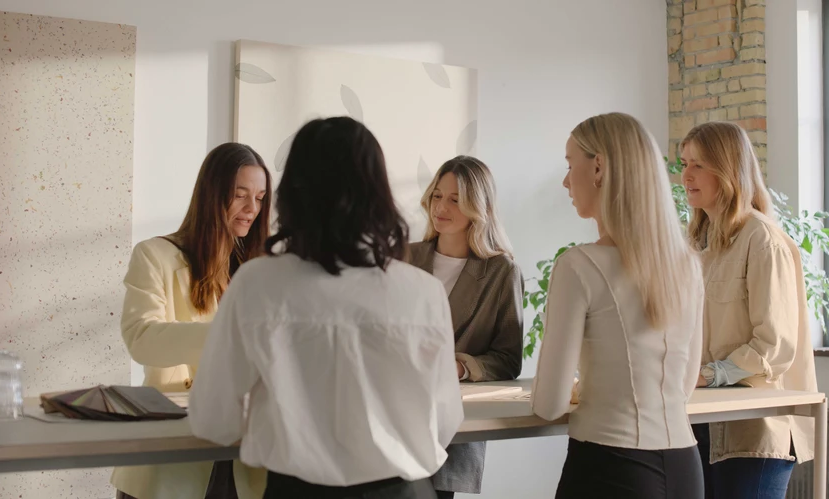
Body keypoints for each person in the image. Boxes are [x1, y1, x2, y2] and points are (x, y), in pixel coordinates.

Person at [187, 117, 464, 499]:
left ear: (293, 192)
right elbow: (446, 420)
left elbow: (214, 420)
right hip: (405, 490)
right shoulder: (424, 292)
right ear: (378, 193)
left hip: (297, 492)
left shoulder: (257, 283)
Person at [531, 112, 705, 499]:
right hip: (684, 468)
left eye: (569, 164)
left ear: (598, 167)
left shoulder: (579, 265)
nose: (565, 181)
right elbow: (684, 386)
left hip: (610, 467)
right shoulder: (688, 265)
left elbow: (548, 404)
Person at [112, 143, 272, 499]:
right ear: (212, 195)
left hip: (246, 455)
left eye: (260, 198)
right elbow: (141, 338)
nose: (252, 209)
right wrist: (230, 335)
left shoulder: (263, 268)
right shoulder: (155, 255)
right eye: (240, 195)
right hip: (172, 453)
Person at [680, 121, 818, 499]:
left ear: (727, 170)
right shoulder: (696, 243)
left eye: (698, 165)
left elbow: (774, 345)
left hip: (754, 431)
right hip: (700, 422)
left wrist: (708, 375)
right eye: (685, 163)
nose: (685, 176)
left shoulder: (763, 240)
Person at [406, 155, 524, 499]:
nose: (441, 207)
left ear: (479, 207)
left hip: (449, 431)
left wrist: (458, 367)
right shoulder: (404, 257)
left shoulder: (501, 272)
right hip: (394, 420)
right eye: (437, 196)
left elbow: (508, 359)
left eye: (456, 199)